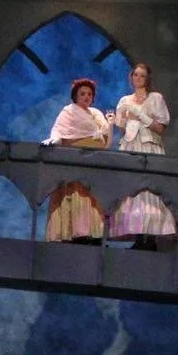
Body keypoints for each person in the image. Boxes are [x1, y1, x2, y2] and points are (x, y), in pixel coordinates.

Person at [108, 61, 177, 250]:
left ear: (148, 79)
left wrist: (141, 115)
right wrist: (120, 119)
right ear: (131, 77)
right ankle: (139, 236)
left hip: (149, 148)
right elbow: (123, 128)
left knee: (150, 191)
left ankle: (151, 237)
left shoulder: (155, 98)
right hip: (131, 147)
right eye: (136, 75)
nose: (138, 78)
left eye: (142, 75)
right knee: (132, 192)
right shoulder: (124, 100)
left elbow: (160, 128)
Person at [44, 78, 110, 244]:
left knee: (91, 196)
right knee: (76, 193)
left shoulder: (95, 114)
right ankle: (74, 233)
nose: (86, 96)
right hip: (75, 160)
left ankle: (92, 234)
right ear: (75, 96)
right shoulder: (69, 111)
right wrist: (55, 140)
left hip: (94, 163)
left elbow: (106, 139)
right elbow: (59, 130)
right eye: (82, 93)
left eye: (89, 94)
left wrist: (109, 125)